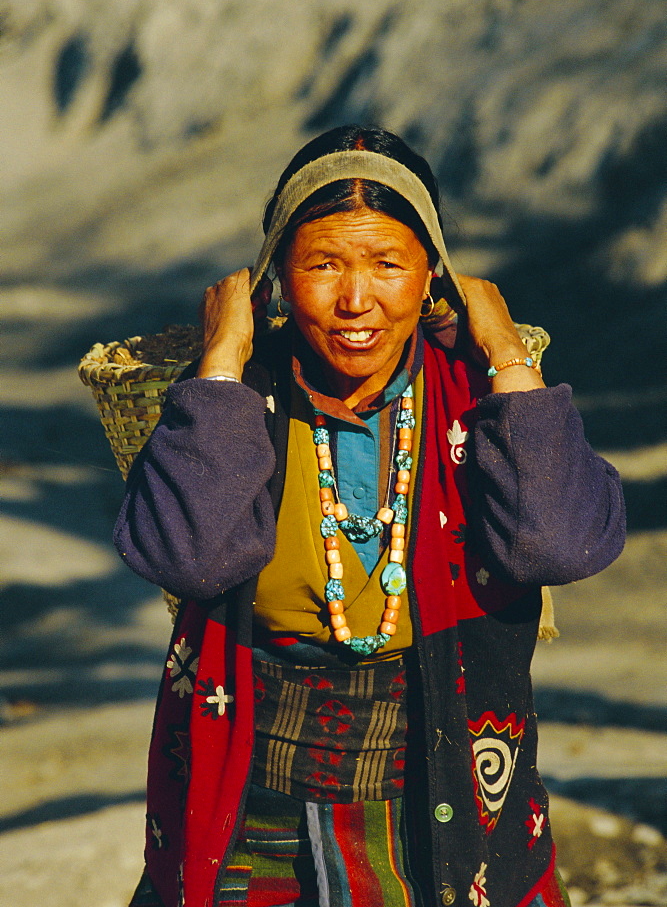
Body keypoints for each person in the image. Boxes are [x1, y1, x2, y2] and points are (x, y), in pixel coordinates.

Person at [114, 126, 625, 907]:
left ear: (432, 277)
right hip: (252, 799)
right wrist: (221, 358)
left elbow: (557, 542)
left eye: (388, 263)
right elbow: (188, 557)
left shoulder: (475, 396)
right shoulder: (233, 404)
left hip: (440, 798)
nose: (356, 301)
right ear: (276, 280)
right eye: (322, 265)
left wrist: (501, 343)